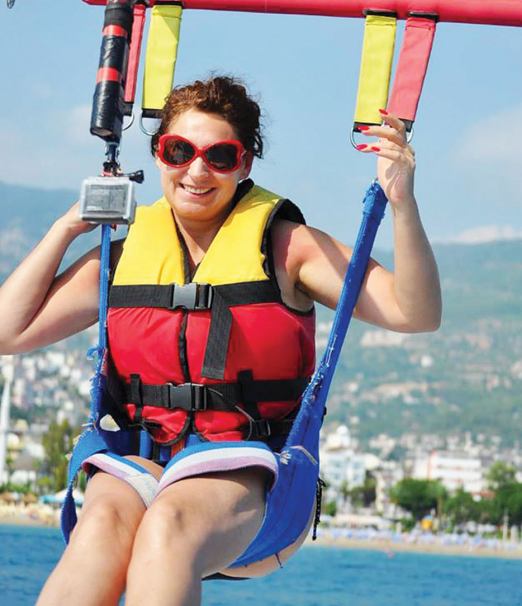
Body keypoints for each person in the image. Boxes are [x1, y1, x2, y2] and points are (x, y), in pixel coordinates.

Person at [0, 75, 441, 605]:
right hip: (142, 458)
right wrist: (69, 227)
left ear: (245, 165)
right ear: (159, 154)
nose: (197, 170)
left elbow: (415, 313)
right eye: (179, 150)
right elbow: (10, 332)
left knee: (169, 526)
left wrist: (402, 204)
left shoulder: (288, 249)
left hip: (251, 473)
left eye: (220, 155)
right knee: (97, 531)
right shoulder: (126, 255)